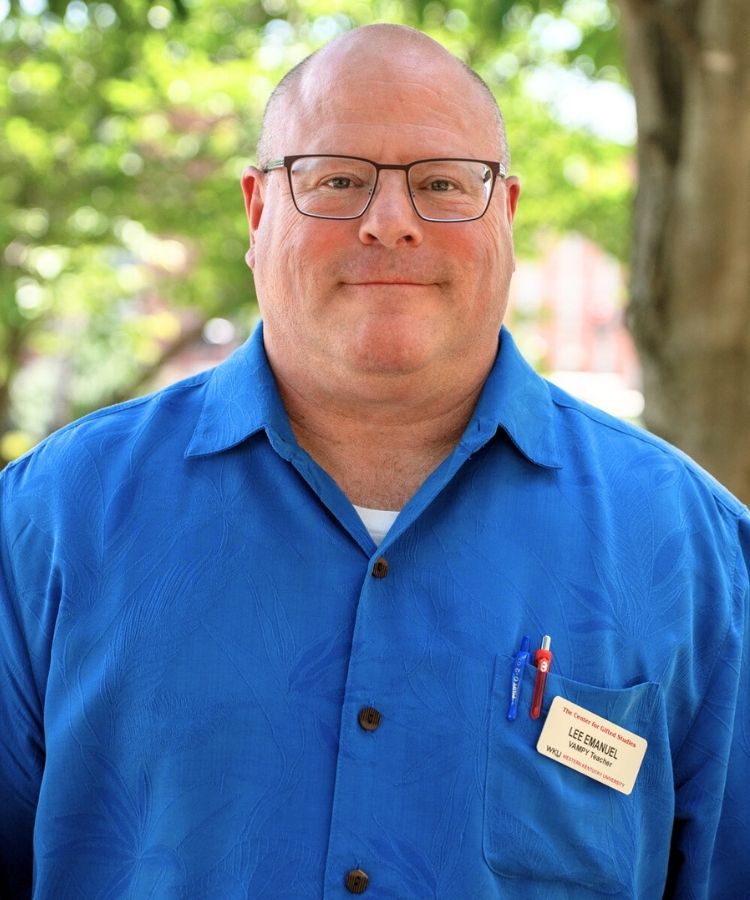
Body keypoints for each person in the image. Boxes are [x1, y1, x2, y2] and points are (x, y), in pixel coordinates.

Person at [0, 23, 748, 900]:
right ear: (257, 212)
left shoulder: (694, 552)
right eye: (338, 180)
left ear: (505, 216)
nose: (389, 223)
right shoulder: (50, 523)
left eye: (441, 183)